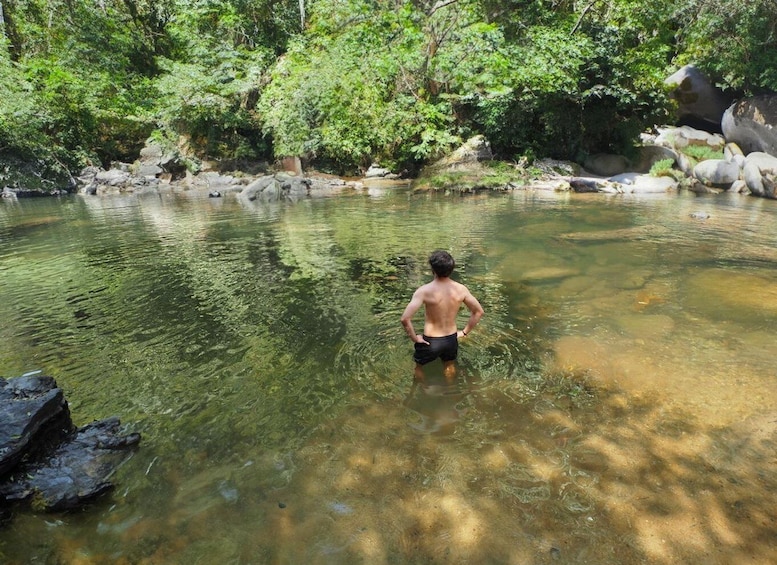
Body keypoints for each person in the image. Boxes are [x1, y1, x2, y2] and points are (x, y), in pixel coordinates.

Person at [400, 250, 484, 382]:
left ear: (432, 269)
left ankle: (422, 390)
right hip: (451, 339)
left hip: (430, 341)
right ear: (451, 269)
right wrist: (464, 332)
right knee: (449, 365)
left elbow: (405, 319)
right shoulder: (461, 289)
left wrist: (415, 338)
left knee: (419, 367)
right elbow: (479, 312)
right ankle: (450, 390)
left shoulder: (424, 291)